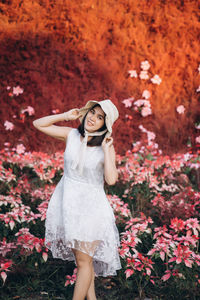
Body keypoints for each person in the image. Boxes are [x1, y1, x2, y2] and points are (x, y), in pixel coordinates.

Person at [33, 99, 122, 300]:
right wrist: (66, 115)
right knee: (84, 261)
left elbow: (111, 179)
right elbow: (38, 124)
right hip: (69, 204)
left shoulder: (106, 147)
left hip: (92, 208)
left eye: (100, 117)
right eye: (92, 112)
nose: (93, 118)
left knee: (83, 262)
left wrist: (108, 151)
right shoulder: (72, 135)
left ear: (105, 124)